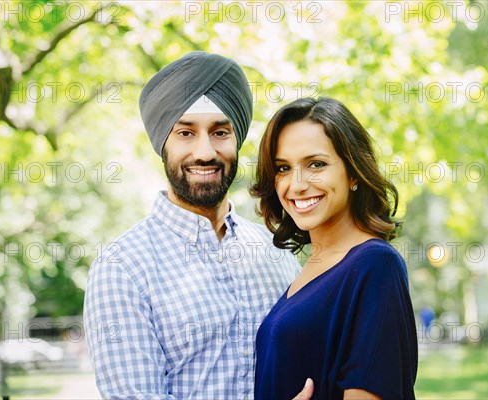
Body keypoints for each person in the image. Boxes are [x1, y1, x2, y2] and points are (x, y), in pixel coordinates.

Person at [83, 52, 313, 399]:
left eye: (220, 132)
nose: (205, 151)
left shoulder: (276, 253)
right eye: (186, 133)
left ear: (237, 140)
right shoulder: (121, 268)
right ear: (163, 143)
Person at [251, 97, 418, 399]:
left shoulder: (375, 266)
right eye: (283, 168)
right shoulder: (309, 269)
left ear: (353, 171)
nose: (297, 184)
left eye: (316, 164)